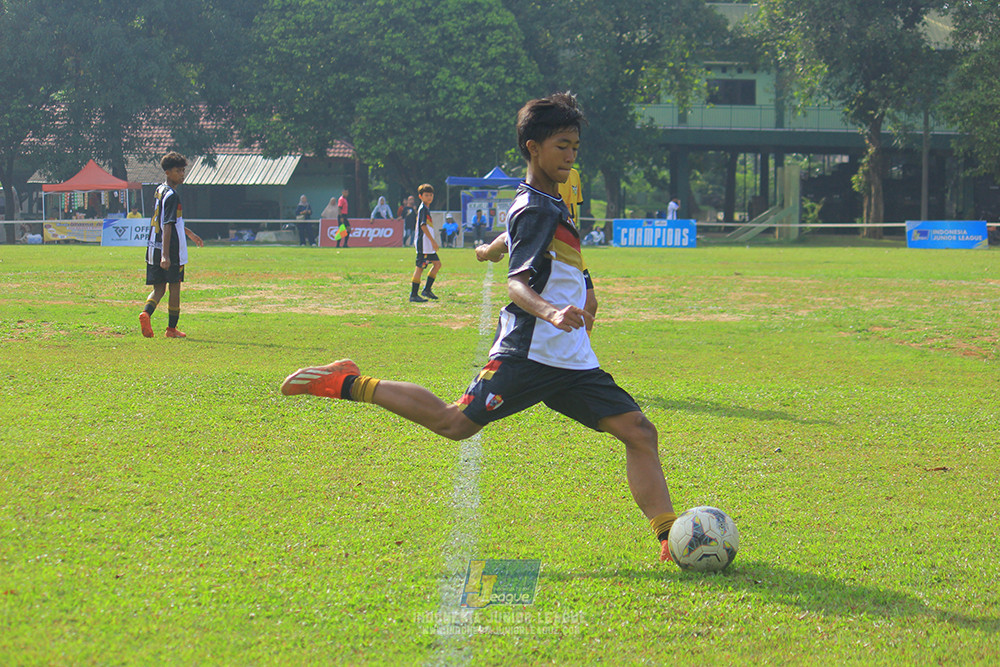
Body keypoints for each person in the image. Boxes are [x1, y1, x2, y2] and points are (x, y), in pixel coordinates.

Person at [280, 93, 677, 563]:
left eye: (575, 147)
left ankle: (671, 539)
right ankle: (346, 381)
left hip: (570, 358)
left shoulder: (550, 199)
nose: (571, 156)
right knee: (454, 424)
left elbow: (542, 245)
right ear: (533, 148)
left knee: (638, 430)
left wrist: (530, 263)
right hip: (529, 352)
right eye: (562, 147)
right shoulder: (536, 206)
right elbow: (517, 285)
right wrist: (551, 311)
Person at [138, 152, 203, 339]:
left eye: (183, 170)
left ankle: (145, 314)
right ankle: (171, 329)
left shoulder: (160, 190)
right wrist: (166, 255)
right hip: (170, 249)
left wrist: (189, 233)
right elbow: (167, 225)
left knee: (159, 288)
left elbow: (171, 220)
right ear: (167, 172)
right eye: (177, 171)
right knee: (174, 286)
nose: (182, 174)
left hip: (152, 247)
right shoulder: (173, 195)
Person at [409, 183, 441, 301]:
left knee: (437, 264)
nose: (429, 197)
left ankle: (427, 290)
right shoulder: (423, 209)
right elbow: (423, 226)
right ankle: (413, 294)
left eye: (431, 195)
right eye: (426, 195)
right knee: (420, 268)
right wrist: (433, 241)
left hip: (428, 245)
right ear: (420, 196)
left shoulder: (426, 209)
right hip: (424, 245)